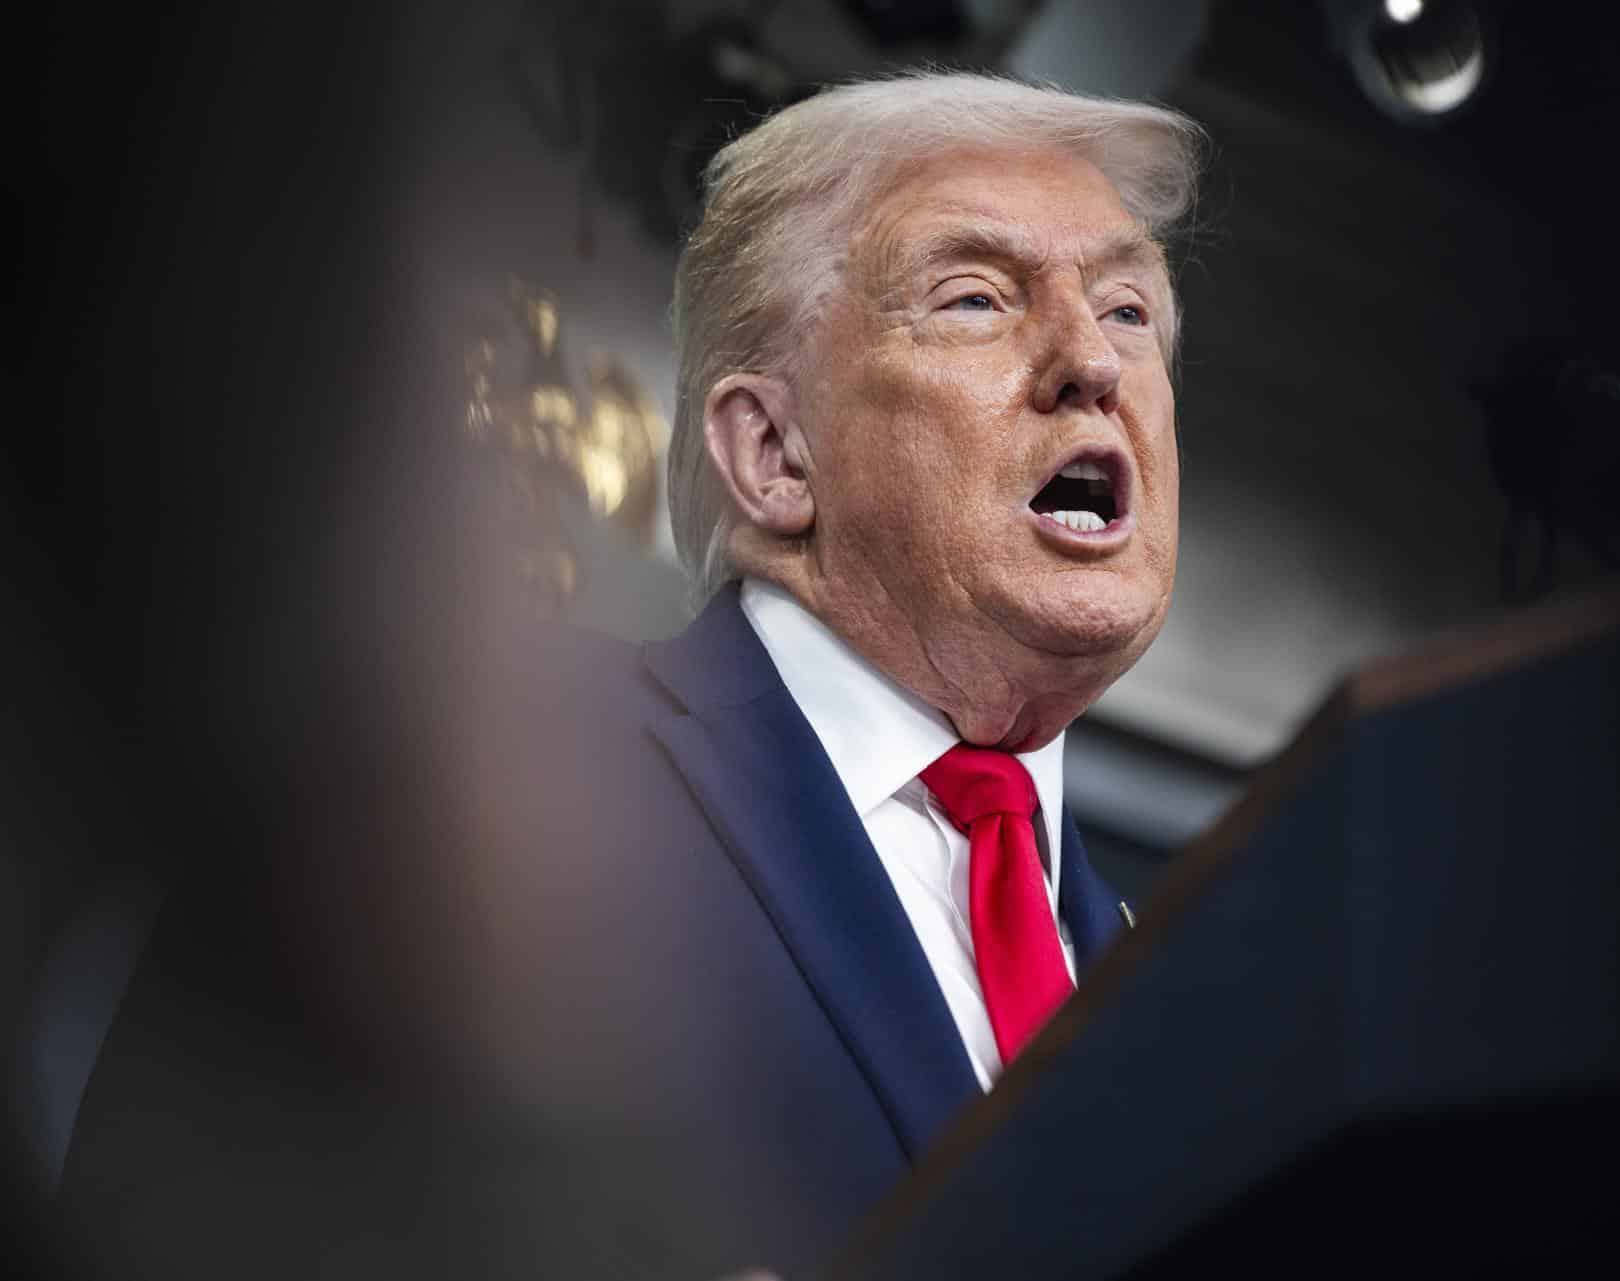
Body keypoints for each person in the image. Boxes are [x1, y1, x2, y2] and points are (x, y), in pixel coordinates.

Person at [60, 70, 1205, 1281]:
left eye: (1129, 308)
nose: (1092, 360)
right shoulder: (485, 791)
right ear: (772, 452)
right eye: (976, 299)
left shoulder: (1181, 988)